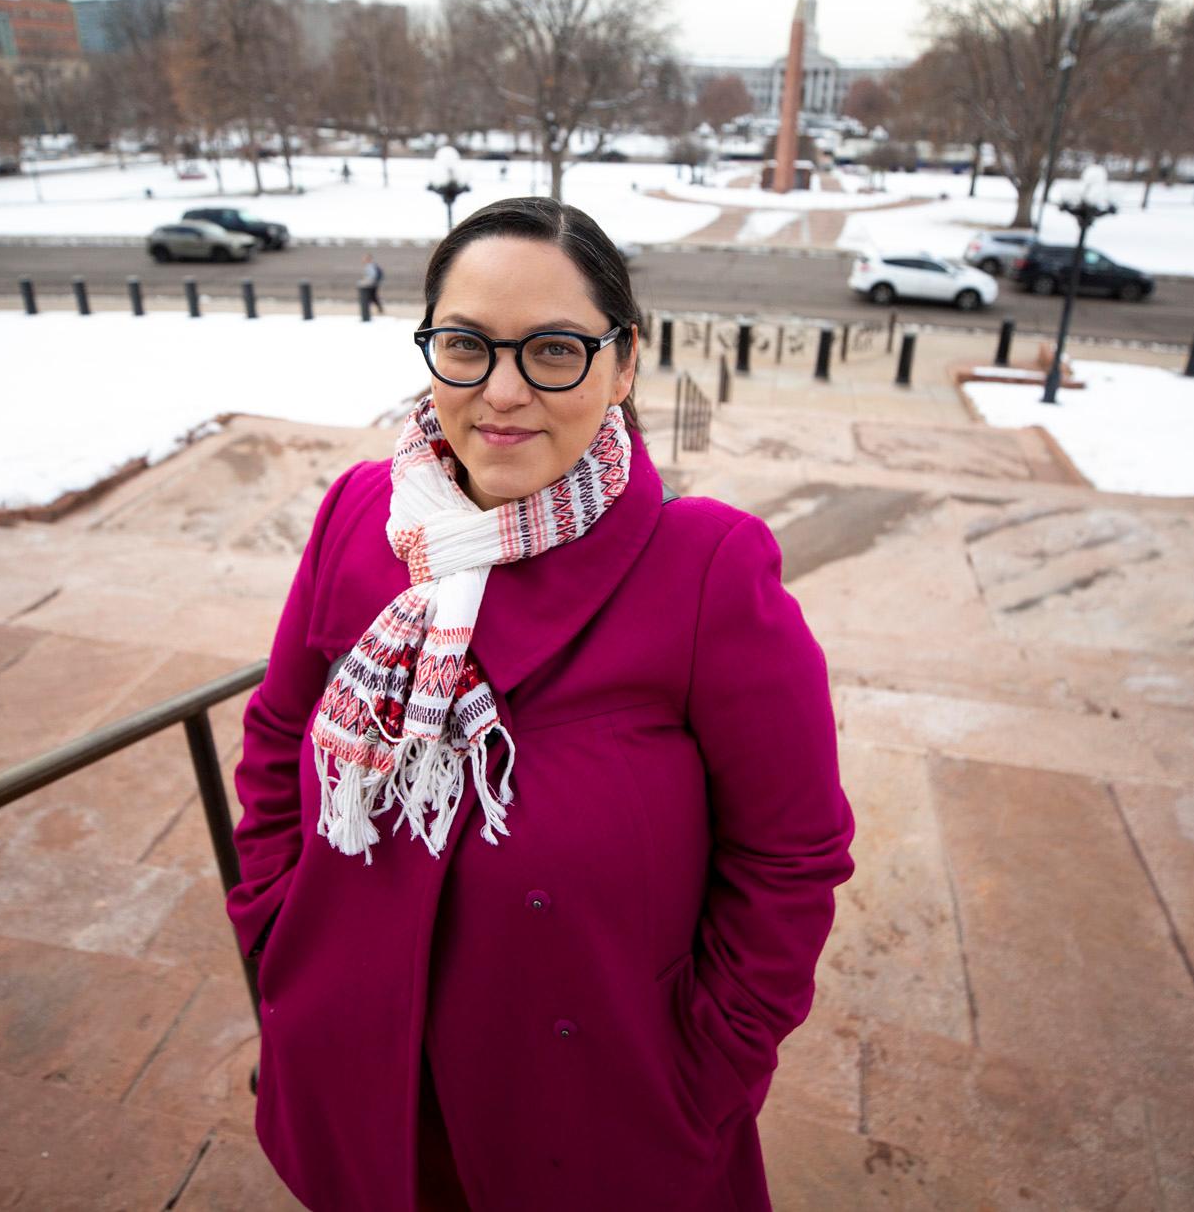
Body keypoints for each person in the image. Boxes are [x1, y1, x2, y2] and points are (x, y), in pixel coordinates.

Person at [225, 196, 855, 1212]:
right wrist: (273, 932)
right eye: (465, 345)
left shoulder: (704, 573)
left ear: (623, 362)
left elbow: (789, 857)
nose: (502, 393)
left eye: (554, 349)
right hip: (356, 1065)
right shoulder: (359, 519)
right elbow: (278, 734)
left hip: (592, 1113)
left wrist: (704, 1077)